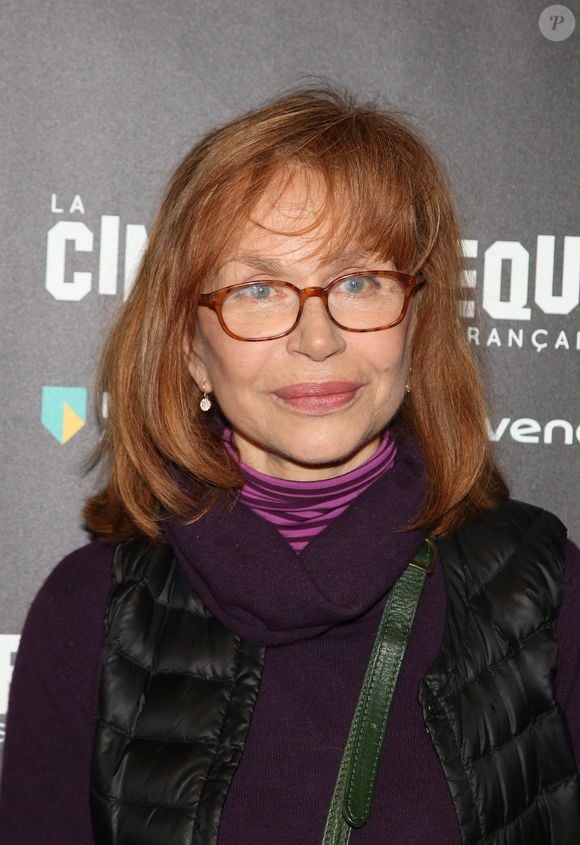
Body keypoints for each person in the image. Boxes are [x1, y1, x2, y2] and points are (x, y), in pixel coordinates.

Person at [1, 87, 579, 845]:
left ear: (417, 324)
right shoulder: (88, 613)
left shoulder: (545, 595)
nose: (316, 338)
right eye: (261, 288)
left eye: (359, 282)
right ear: (189, 348)